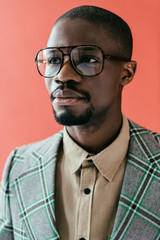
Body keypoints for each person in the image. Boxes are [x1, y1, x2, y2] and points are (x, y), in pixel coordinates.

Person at [0, 5, 160, 240]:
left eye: (86, 59)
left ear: (126, 73)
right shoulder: (19, 168)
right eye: (53, 59)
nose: (62, 75)